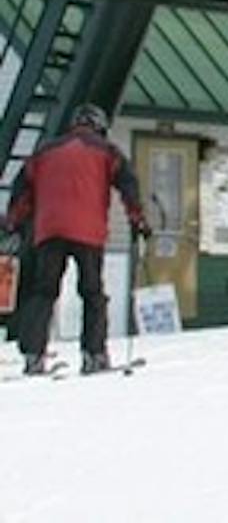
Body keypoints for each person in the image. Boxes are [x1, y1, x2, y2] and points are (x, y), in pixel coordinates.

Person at [1, 105, 149, 375]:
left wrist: (13, 222)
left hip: (49, 230)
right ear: (100, 126)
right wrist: (137, 220)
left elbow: (21, 189)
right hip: (87, 231)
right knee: (92, 293)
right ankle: (94, 355)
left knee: (44, 292)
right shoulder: (106, 151)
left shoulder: (44, 151)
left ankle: (34, 357)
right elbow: (128, 184)